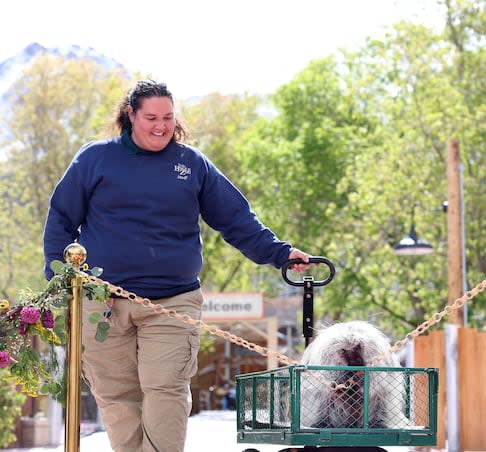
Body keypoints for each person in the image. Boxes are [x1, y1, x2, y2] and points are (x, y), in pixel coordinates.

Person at [43, 79, 311, 452]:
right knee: (117, 396)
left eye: (168, 117)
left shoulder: (191, 163)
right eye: (151, 117)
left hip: (172, 302)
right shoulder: (95, 159)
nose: (160, 125)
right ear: (131, 115)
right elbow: (60, 219)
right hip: (101, 302)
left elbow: (236, 220)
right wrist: (60, 280)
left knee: (165, 389)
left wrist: (280, 253)